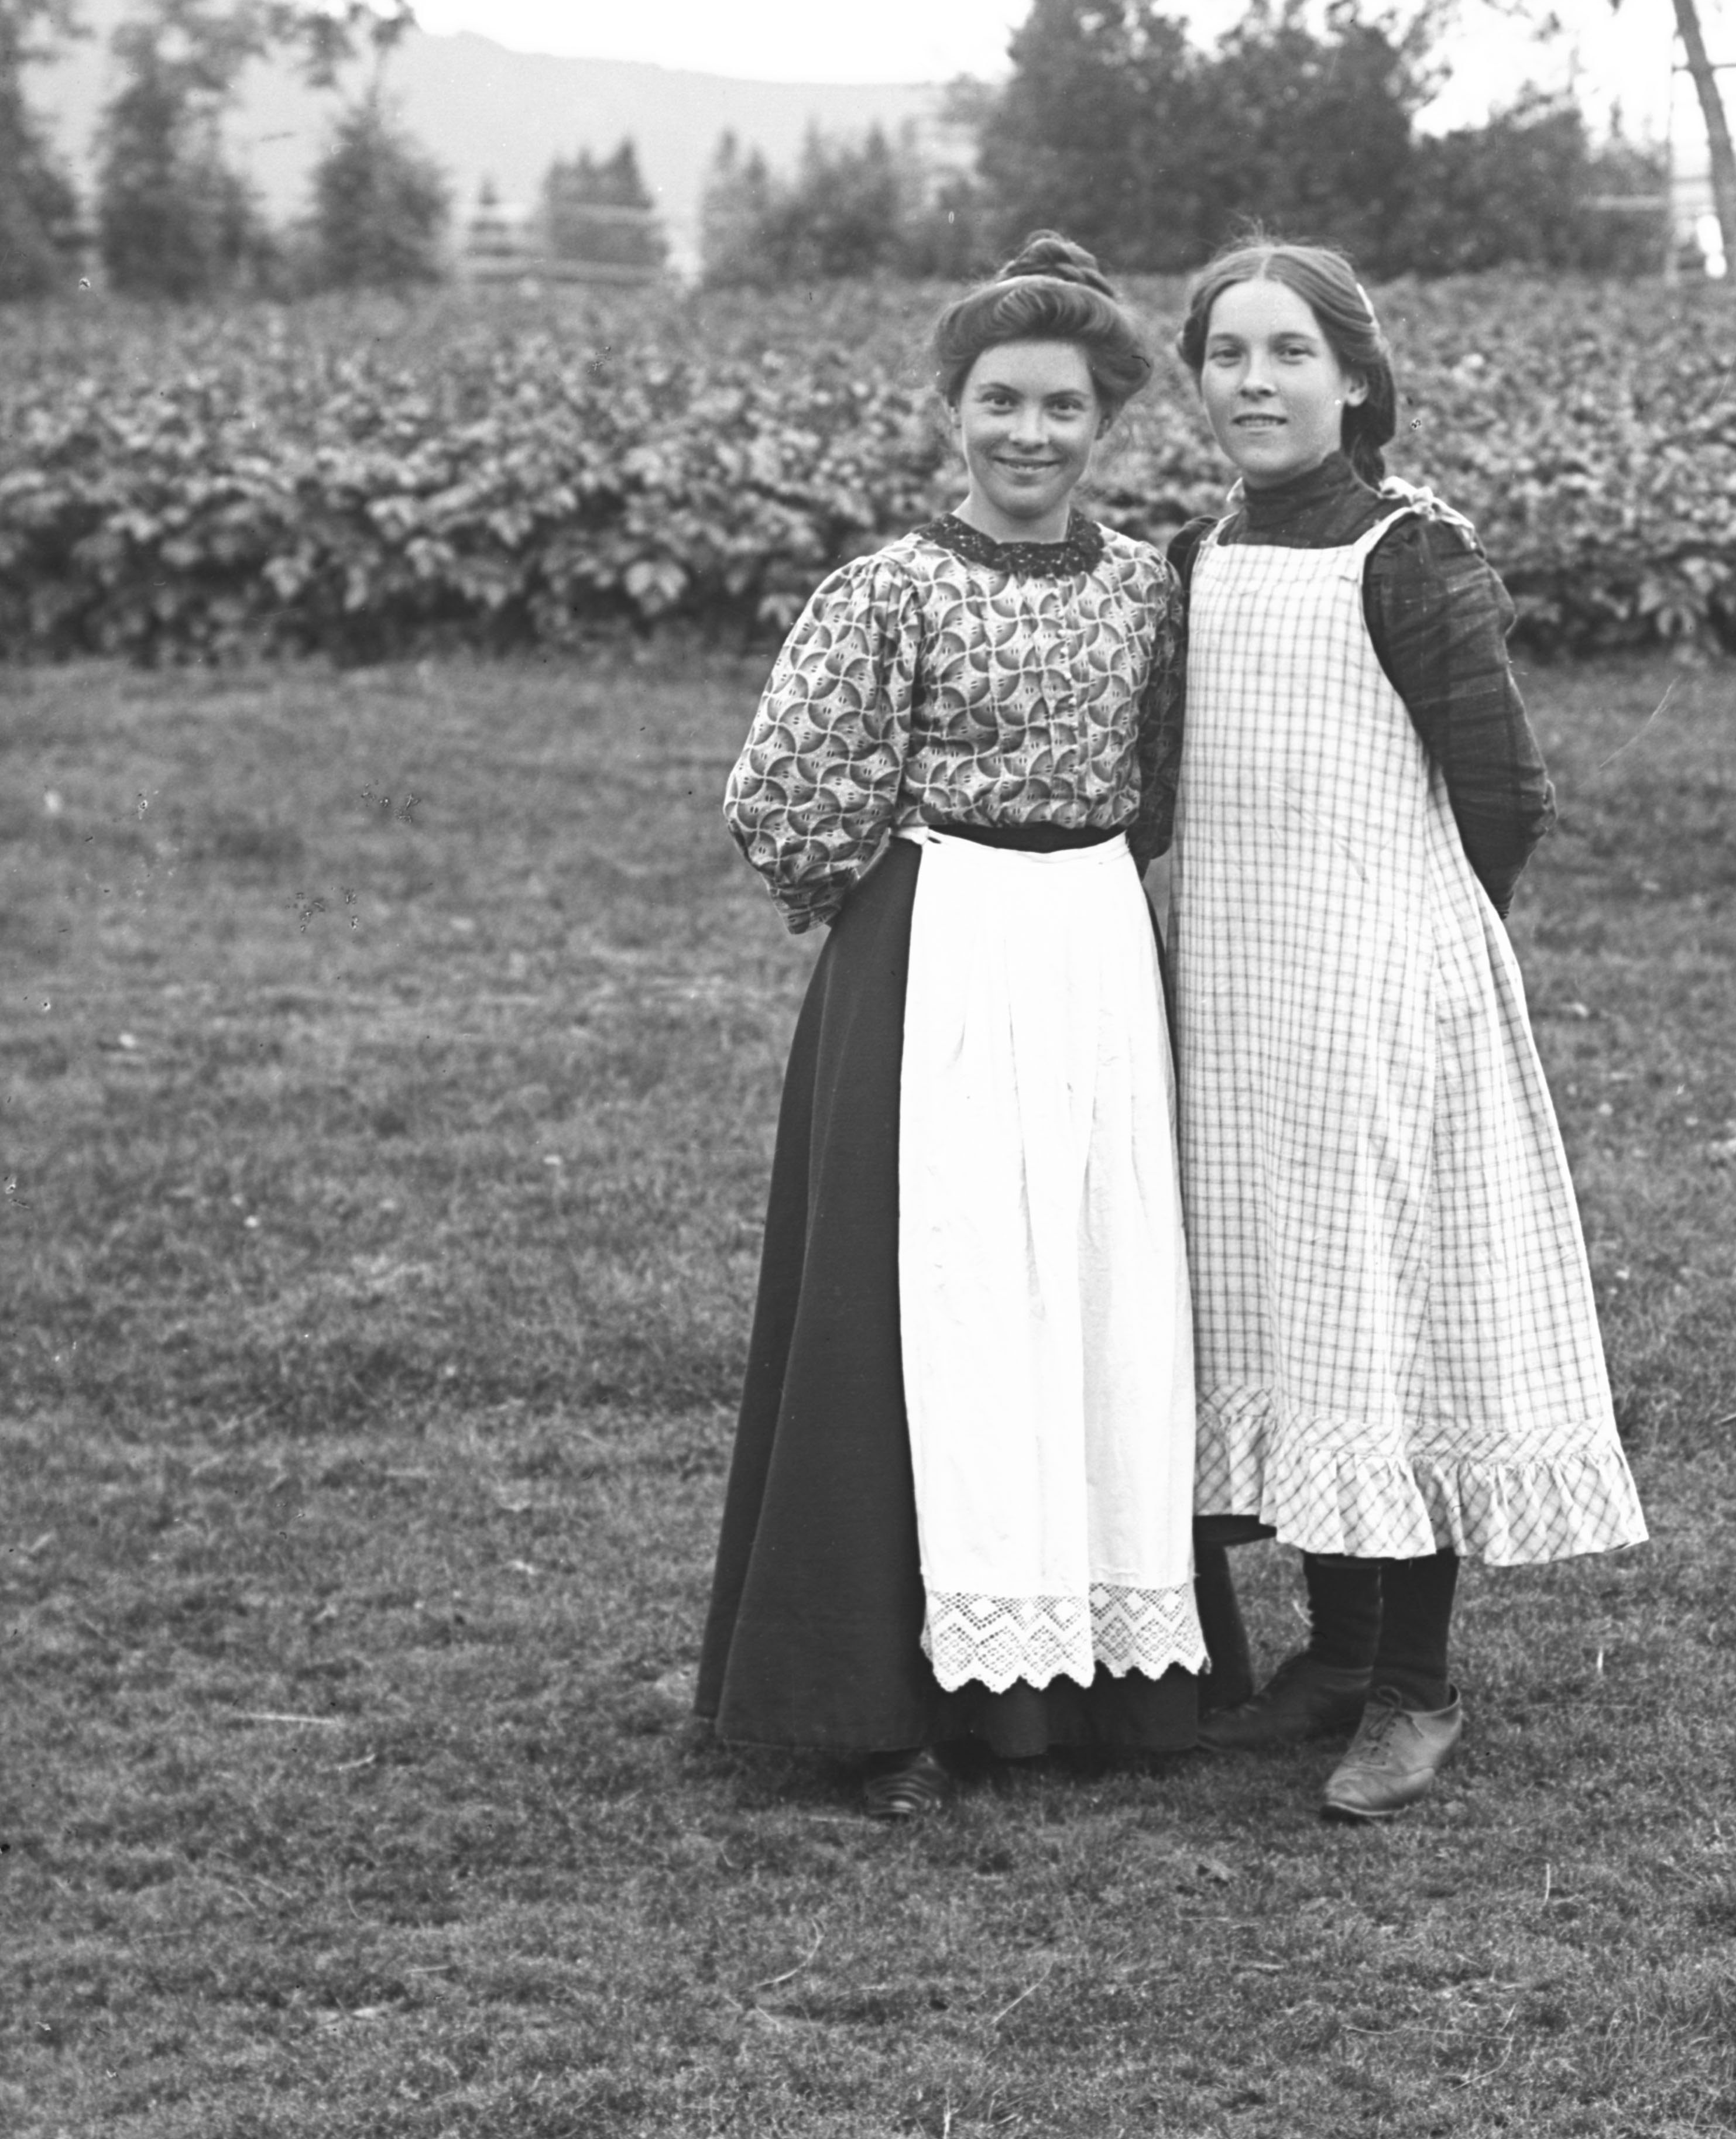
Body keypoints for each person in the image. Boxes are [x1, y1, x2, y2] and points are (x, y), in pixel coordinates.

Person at [694, 232, 1216, 1816]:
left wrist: (1084, 888)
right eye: (1000, 402)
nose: (1028, 435)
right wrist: (904, 900)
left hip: (1094, 945)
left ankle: (1097, 1673)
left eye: (1062, 407)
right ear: (951, 410)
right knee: (938, 1293)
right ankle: (890, 1697)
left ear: (1104, 422)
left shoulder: (1144, 588)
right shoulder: (888, 592)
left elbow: (1157, 780)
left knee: (1097, 1274)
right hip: (937, 949)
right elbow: (783, 796)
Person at [1169, 240, 1646, 1822]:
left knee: (1387, 1313)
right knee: (1294, 1301)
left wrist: (1410, 946)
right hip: (1238, 993)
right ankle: (1333, 1654)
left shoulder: (1408, 553)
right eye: (1226, 354)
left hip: (1373, 993)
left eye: (1289, 353)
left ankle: (1414, 1685)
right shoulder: (1197, 556)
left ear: (1355, 379)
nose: (1255, 383)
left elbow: (1507, 791)